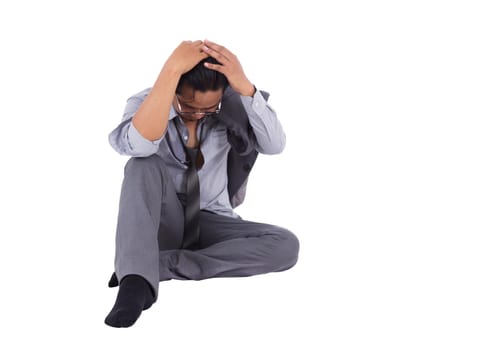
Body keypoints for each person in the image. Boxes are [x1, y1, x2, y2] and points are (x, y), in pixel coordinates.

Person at [105, 39, 299, 328]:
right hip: (165, 221)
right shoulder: (146, 103)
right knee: (142, 164)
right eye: (189, 107)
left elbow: (275, 145)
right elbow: (137, 146)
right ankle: (134, 284)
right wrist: (170, 72)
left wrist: (244, 85)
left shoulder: (232, 107)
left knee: (286, 246)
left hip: (212, 220)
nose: (198, 115)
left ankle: (155, 265)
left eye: (209, 109)